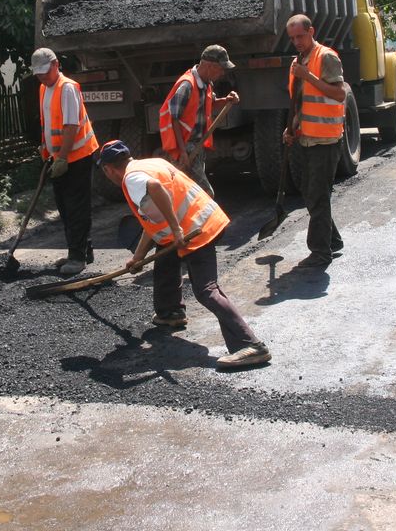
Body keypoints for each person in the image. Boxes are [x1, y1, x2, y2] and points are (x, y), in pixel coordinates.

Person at [95, 139, 270, 370]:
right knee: (165, 256)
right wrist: (138, 257)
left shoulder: (132, 178)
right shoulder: (150, 163)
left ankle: (250, 345)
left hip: (196, 229)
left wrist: (176, 228)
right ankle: (171, 312)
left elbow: (156, 189)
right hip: (202, 220)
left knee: (206, 290)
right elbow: (152, 222)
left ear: (108, 169)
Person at [283, 13, 346, 268]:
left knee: (317, 196)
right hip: (307, 137)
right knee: (311, 193)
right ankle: (333, 240)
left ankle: (320, 252)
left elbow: (339, 94)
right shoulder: (298, 61)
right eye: (292, 38)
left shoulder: (326, 57)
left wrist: (308, 76)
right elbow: (300, 103)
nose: (296, 41)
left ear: (311, 31)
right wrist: (292, 128)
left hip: (327, 140)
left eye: (300, 36)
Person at [33, 47, 99, 276]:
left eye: (45, 71)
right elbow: (48, 121)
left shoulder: (67, 88)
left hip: (77, 157)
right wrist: (46, 147)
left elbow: (71, 126)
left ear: (55, 65)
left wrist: (62, 158)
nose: (42, 76)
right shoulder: (44, 88)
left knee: (76, 208)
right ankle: (83, 250)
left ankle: (77, 257)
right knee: (64, 207)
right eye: (38, 73)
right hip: (59, 157)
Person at [158, 44, 240, 197]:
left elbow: (211, 104)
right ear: (209, 66)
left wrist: (227, 100)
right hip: (186, 147)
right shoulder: (187, 85)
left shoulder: (206, 84)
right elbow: (173, 118)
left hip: (197, 145)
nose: (222, 73)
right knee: (205, 193)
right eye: (221, 69)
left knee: (187, 193)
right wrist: (182, 151)